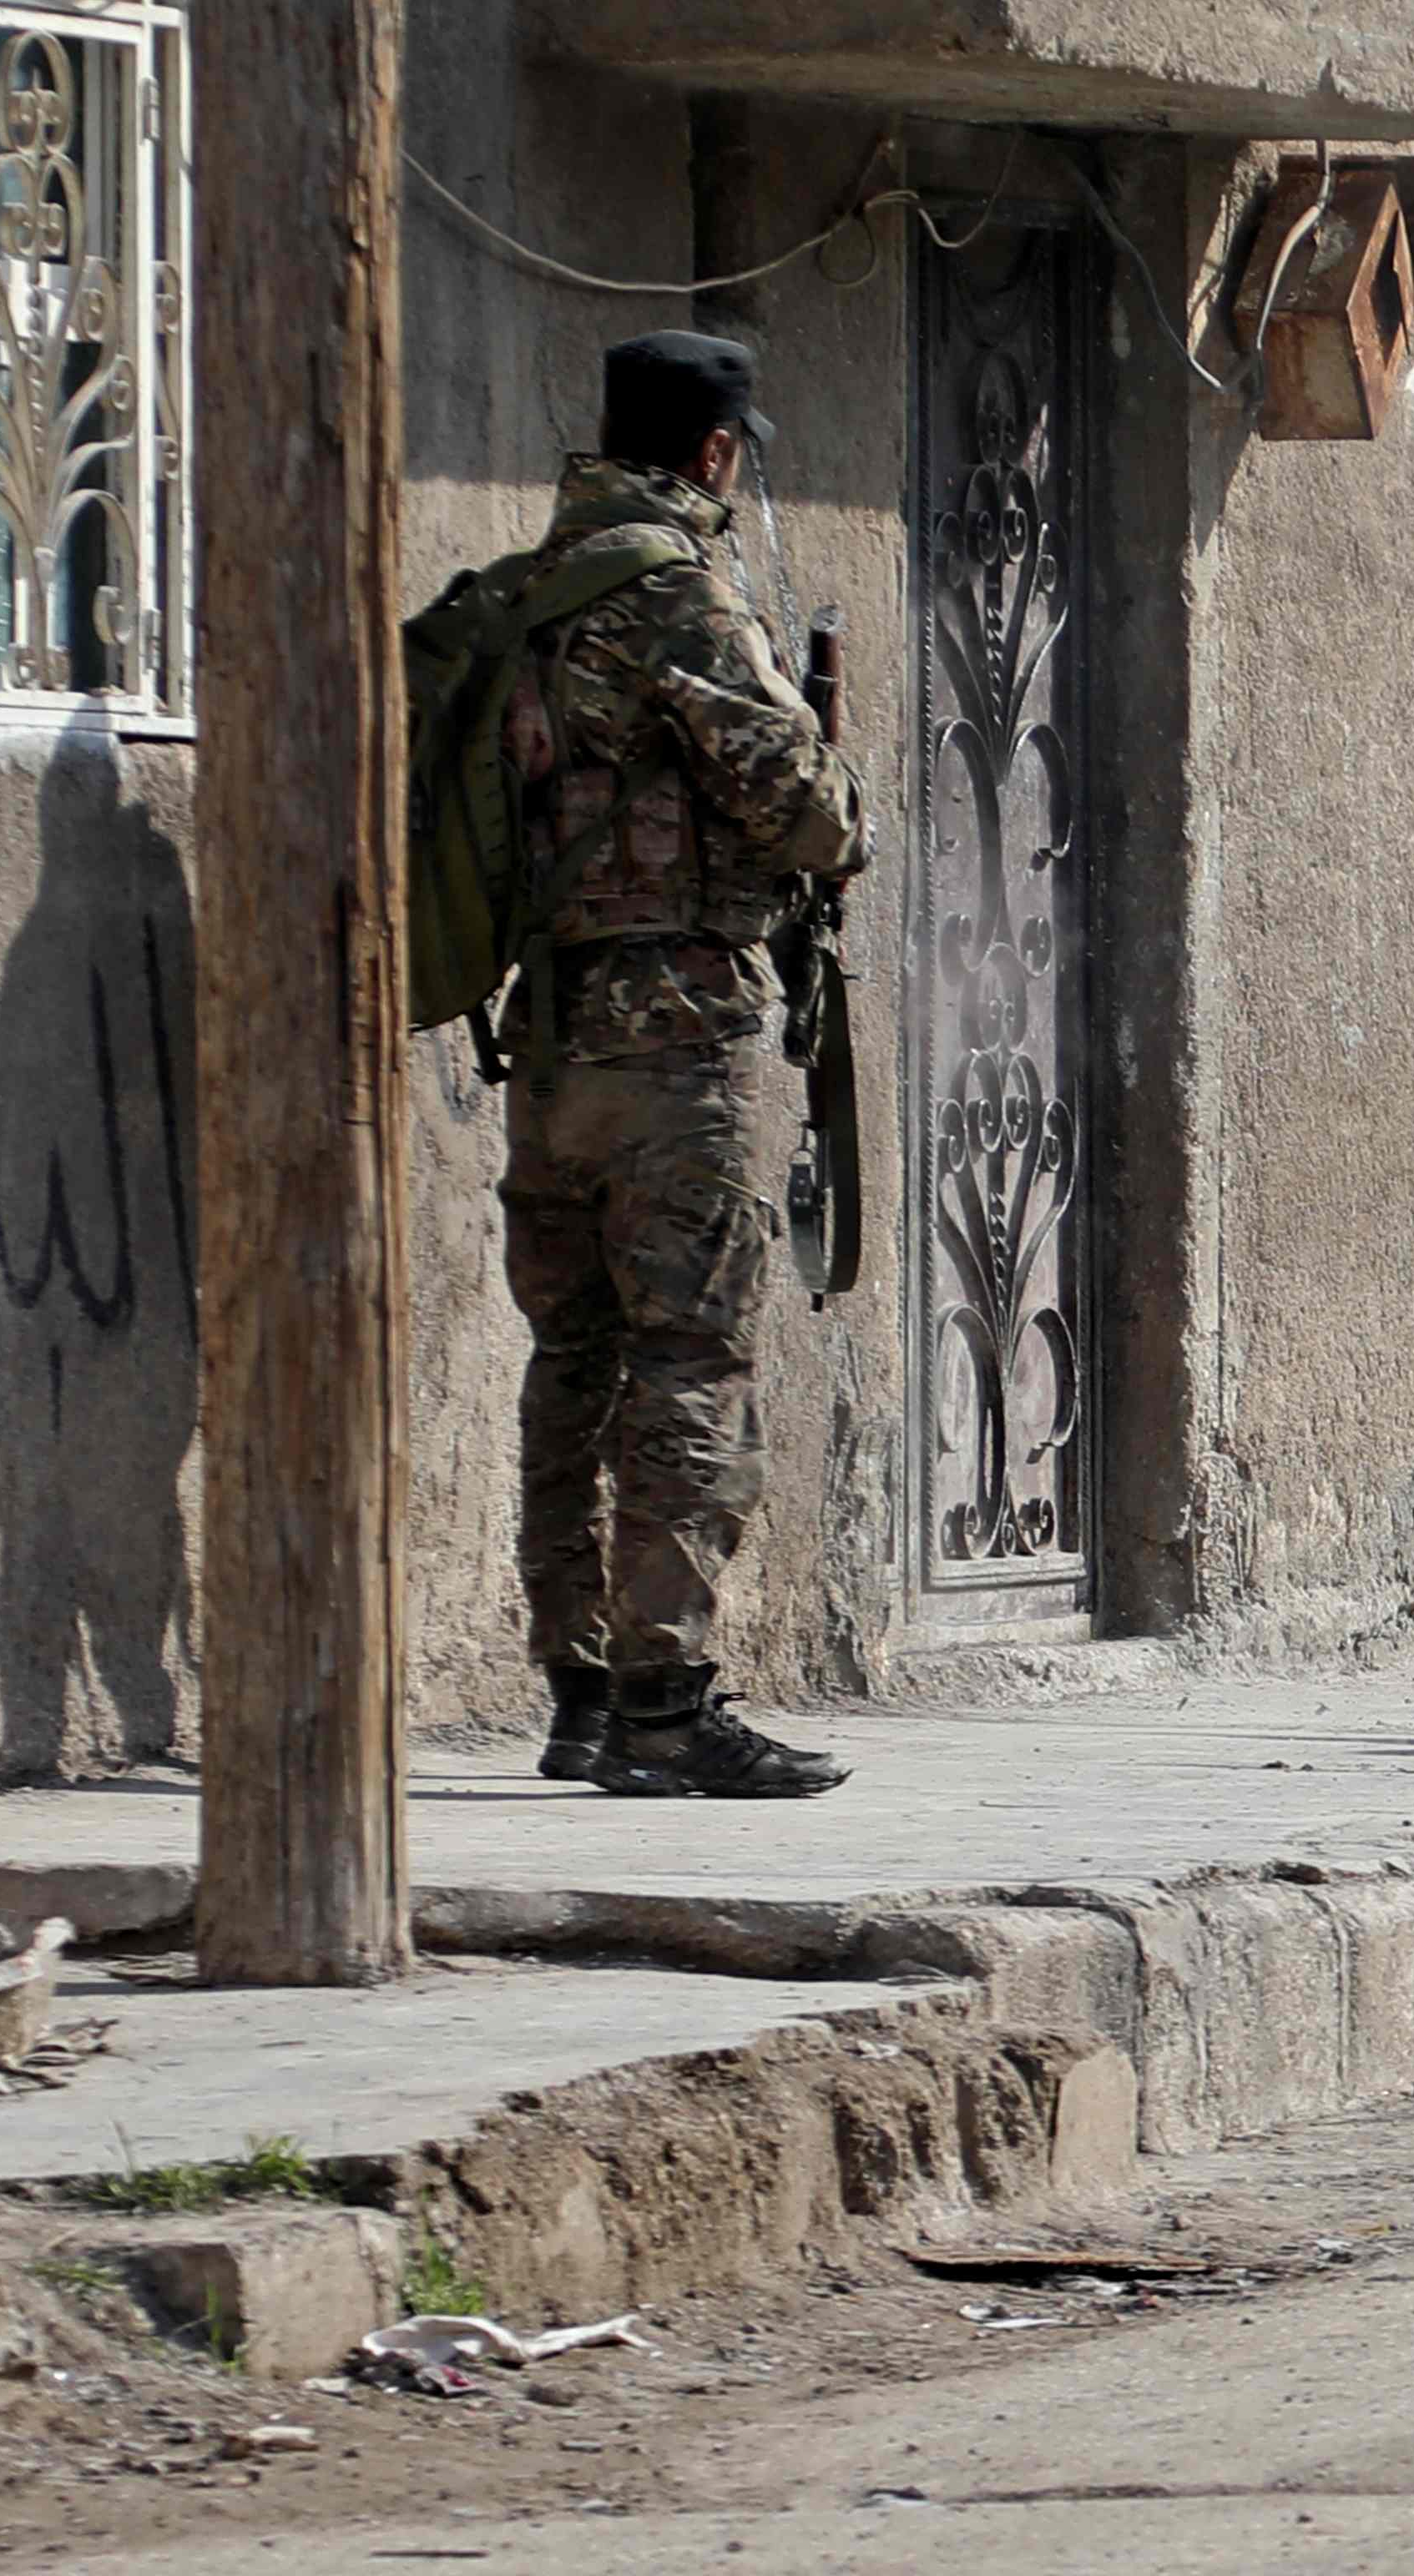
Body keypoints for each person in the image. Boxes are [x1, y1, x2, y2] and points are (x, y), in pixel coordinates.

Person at [502, 330, 873, 1801]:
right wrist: (836, 786)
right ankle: (668, 1700)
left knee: (572, 1361)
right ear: (713, 453)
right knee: (689, 1362)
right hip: (674, 1048)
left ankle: (581, 1693)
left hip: (550, 1040)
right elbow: (802, 807)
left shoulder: (531, 595)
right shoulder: (675, 595)